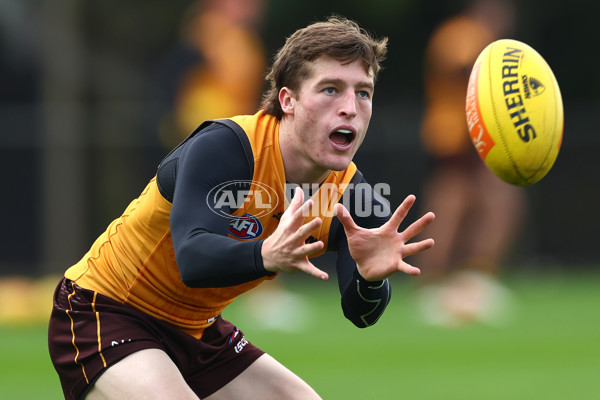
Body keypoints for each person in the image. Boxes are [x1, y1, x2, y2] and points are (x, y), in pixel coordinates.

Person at [48, 16, 435, 399]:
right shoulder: (228, 148)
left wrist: (370, 279)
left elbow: (360, 313)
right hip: (105, 312)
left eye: (363, 92)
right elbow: (193, 258)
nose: (350, 107)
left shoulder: (353, 196)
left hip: (197, 328)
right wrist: (265, 254)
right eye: (331, 89)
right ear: (288, 100)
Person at [416, 0, 525, 326]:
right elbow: (462, 69)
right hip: (456, 138)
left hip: (475, 138)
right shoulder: (463, 33)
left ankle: (470, 278)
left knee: (487, 203)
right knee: (455, 207)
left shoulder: (484, 39)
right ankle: (438, 282)